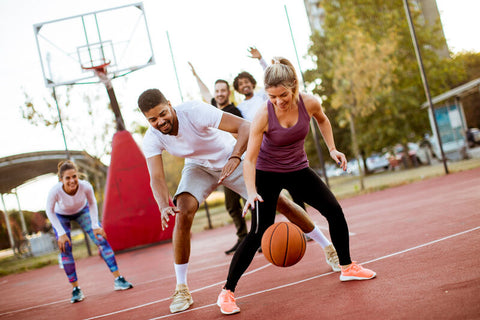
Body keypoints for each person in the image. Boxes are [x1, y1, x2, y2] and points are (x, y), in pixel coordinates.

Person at [137, 88, 339, 314]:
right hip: (198, 168)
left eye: (163, 114)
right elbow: (156, 177)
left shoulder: (194, 111)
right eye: (152, 119)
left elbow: (244, 126)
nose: (160, 121)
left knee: (279, 203)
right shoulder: (152, 137)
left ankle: (328, 247)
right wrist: (163, 205)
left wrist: (235, 157)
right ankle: (181, 288)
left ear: (170, 105)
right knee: (182, 211)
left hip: (231, 158)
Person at [217, 57, 376, 315]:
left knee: (334, 211)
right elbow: (250, 159)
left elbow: (323, 120)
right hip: (267, 173)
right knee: (257, 232)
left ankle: (347, 267)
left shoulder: (309, 102)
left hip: (298, 169)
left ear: (294, 86)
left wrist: (333, 148)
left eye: (283, 95)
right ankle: (227, 292)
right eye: (272, 96)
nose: (278, 101)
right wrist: (252, 191)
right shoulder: (263, 115)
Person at [46, 160, 133, 304]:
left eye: (74, 176)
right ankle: (76, 289)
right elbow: (49, 211)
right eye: (67, 178)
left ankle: (119, 279)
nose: (72, 180)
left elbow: (92, 203)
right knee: (65, 248)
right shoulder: (55, 191)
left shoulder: (85, 186)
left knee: (101, 240)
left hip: (82, 211)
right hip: (60, 215)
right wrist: (60, 233)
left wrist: (95, 225)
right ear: (61, 179)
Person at [189, 62, 248, 255]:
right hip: (222, 165)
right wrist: (196, 75)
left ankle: (260, 236)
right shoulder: (213, 108)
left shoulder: (234, 112)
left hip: (239, 162)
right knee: (231, 205)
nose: (220, 93)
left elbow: (242, 134)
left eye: (223, 90)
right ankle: (243, 238)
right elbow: (205, 93)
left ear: (228, 93)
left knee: (251, 200)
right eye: (217, 91)